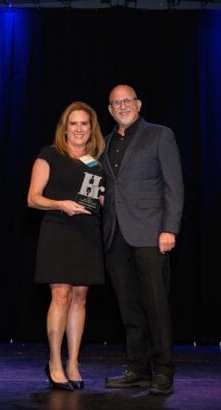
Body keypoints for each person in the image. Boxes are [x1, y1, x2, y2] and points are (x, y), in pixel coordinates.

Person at [102, 84, 184, 395]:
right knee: (128, 306)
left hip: (151, 233)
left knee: (156, 304)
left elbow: (174, 185)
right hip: (115, 235)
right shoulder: (105, 143)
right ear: (109, 110)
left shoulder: (160, 135)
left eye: (127, 100)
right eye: (115, 102)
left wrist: (170, 228)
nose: (122, 106)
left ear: (139, 103)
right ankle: (137, 367)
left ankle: (163, 369)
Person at [27, 101, 105, 391]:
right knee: (60, 295)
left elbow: (97, 199)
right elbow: (33, 198)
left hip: (87, 233)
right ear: (65, 127)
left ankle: (73, 362)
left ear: (91, 128)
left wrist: (101, 199)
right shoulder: (49, 155)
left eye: (84, 123)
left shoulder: (96, 162)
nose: (79, 129)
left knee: (80, 298)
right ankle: (54, 363)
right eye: (73, 123)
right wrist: (61, 204)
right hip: (58, 230)